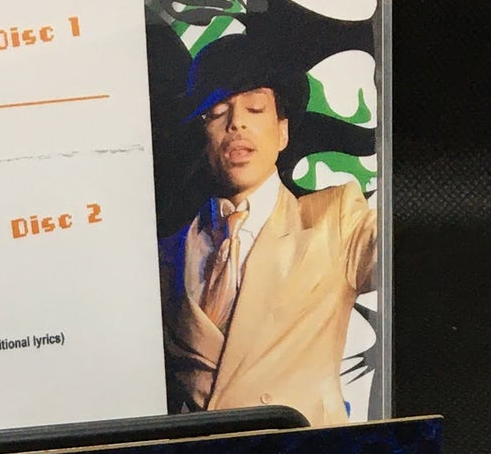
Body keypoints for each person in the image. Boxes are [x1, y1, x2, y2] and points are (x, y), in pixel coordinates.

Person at [159, 37, 376, 425]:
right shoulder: (168, 254)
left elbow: (411, 258)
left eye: (255, 108)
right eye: (217, 112)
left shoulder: (336, 220)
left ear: (282, 132)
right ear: (201, 138)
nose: (236, 123)